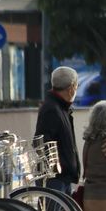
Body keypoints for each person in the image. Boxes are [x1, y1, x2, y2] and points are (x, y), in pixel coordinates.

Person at [35, 66, 80, 194]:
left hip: (62, 176)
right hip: (55, 179)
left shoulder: (60, 108)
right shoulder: (52, 109)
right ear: (71, 88)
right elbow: (41, 142)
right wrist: (57, 169)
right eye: (77, 86)